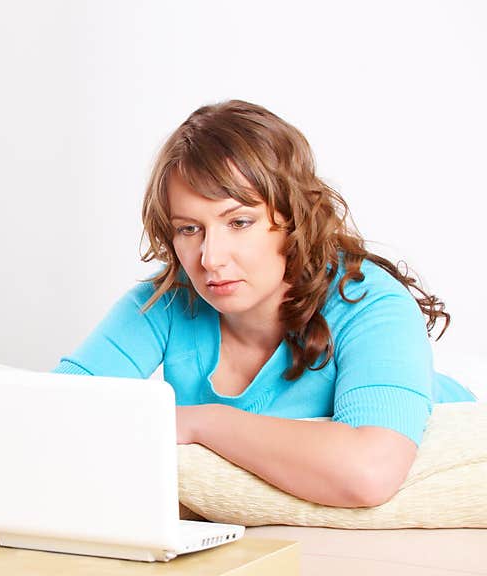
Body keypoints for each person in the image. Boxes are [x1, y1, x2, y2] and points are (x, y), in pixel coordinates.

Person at [52, 99, 476, 508]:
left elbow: (369, 472)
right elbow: (50, 411)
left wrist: (201, 422)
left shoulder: (369, 302)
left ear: (293, 218)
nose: (210, 258)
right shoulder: (165, 303)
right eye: (188, 229)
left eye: (239, 222)